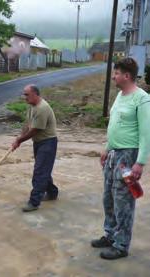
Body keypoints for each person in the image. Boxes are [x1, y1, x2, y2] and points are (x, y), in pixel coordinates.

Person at [91, 58, 150, 260]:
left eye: (116, 73)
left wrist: (140, 163)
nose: (113, 76)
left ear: (127, 76)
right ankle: (110, 234)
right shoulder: (119, 95)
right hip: (114, 154)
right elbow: (115, 125)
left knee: (123, 201)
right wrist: (107, 149)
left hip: (128, 155)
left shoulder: (141, 99)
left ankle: (121, 244)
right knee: (108, 197)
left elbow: (145, 133)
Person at [11, 84, 58, 212]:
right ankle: (53, 193)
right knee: (43, 168)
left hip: (47, 143)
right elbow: (27, 125)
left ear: (35, 94)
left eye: (27, 94)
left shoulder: (42, 108)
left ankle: (34, 202)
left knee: (39, 172)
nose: (24, 97)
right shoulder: (32, 106)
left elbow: (34, 131)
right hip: (38, 142)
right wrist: (18, 139)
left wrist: (20, 140)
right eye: (24, 94)